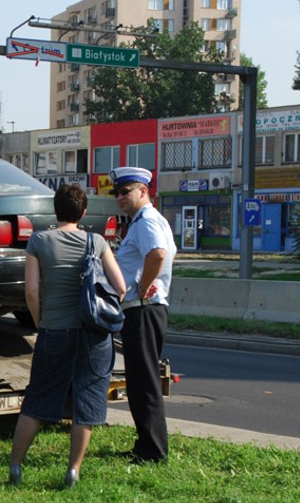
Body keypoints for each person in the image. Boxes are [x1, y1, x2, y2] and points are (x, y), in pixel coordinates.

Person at [8, 184, 126, 488]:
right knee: (85, 404)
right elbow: (121, 287)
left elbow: (32, 291)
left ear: (55, 210)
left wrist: (40, 320)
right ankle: (73, 471)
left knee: (37, 399)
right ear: (83, 212)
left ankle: (16, 467)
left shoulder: (39, 240)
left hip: (54, 329)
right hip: (92, 334)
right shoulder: (96, 241)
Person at [109, 166, 177, 464]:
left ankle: (153, 451)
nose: (120, 198)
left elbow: (158, 254)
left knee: (145, 382)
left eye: (126, 192)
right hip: (142, 310)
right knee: (139, 381)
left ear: (143, 192)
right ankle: (145, 445)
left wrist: (145, 286)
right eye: (117, 193)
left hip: (143, 309)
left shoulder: (147, 220)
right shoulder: (144, 220)